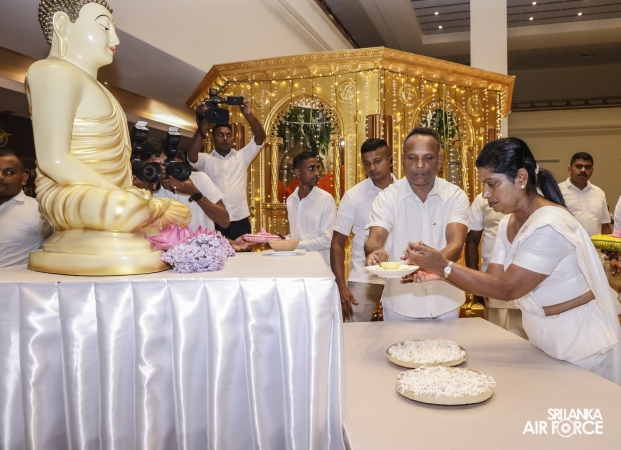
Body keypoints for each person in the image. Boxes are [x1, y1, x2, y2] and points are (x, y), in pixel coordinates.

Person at [405, 137, 621, 385]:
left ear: (521, 178)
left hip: (582, 344)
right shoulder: (508, 222)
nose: (485, 194)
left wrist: (443, 266)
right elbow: (493, 281)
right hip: (546, 339)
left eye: (492, 184)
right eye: (484, 185)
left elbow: (508, 289)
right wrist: (441, 274)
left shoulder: (549, 224)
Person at [365, 128, 469, 321]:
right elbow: (375, 239)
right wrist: (376, 251)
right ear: (403, 159)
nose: (420, 165)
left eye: (428, 158)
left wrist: (427, 266)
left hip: (446, 302)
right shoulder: (387, 197)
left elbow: (456, 245)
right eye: (412, 158)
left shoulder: (455, 196)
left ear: (440, 159)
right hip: (400, 304)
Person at [330, 139, 395, 322]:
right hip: (364, 277)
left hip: (400, 276)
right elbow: (337, 243)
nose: (372, 167)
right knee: (354, 331)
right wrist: (341, 287)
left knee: (403, 332)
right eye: (367, 163)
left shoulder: (405, 191)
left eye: (377, 161)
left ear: (390, 160)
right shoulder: (353, 196)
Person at [186, 101, 266, 240]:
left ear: (233, 139)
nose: (225, 138)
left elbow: (260, 138)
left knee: (245, 253)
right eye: (220, 135)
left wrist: (249, 115)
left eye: (228, 135)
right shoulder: (206, 160)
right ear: (212, 139)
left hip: (240, 220)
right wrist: (204, 122)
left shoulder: (242, 157)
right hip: (214, 219)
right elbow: (191, 157)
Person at [466, 193, 526, 338]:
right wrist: (476, 287)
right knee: (496, 338)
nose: (486, 190)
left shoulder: (537, 197)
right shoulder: (483, 199)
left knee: (528, 341)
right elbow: (472, 241)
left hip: (529, 282)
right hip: (494, 282)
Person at [558, 152, 619, 276]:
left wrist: (613, 258)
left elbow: (605, 227)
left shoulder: (599, 193)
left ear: (592, 170)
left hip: (595, 259)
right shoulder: (557, 191)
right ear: (569, 168)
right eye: (578, 166)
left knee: (598, 289)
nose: (583, 170)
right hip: (565, 259)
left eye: (587, 167)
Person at [0, 149, 54, 267]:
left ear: (24, 178)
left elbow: (59, 252)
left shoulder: (40, 210)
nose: (1, 176)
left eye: (9, 172)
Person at [286, 151, 336, 266]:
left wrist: (296, 245)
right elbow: (296, 235)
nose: (317, 173)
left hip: (318, 265)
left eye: (317, 168)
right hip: (295, 263)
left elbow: (328, 240)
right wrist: (283, 241)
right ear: (298, 172)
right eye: (311, 168)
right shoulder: (290, 200)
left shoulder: (326, 200)